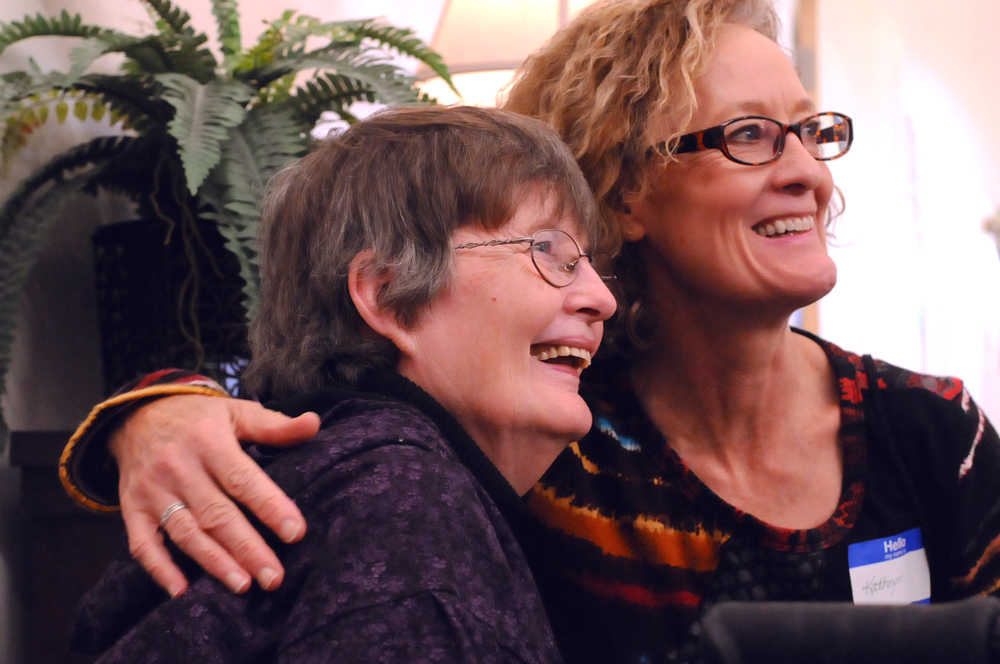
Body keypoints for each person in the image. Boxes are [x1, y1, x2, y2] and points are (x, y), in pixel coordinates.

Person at [61, 0, 1000, 662]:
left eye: (810, 132)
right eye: (750, 135)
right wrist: (159, 413)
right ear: (625, 190)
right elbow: (313, 383)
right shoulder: (553, 426)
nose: (807, 172)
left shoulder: (933, 433)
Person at [69, 104, 617, 662]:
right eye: (548, 251)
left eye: (589, 262)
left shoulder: (349, 475)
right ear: (389, 296)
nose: (603, 299)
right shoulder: (404, 503)